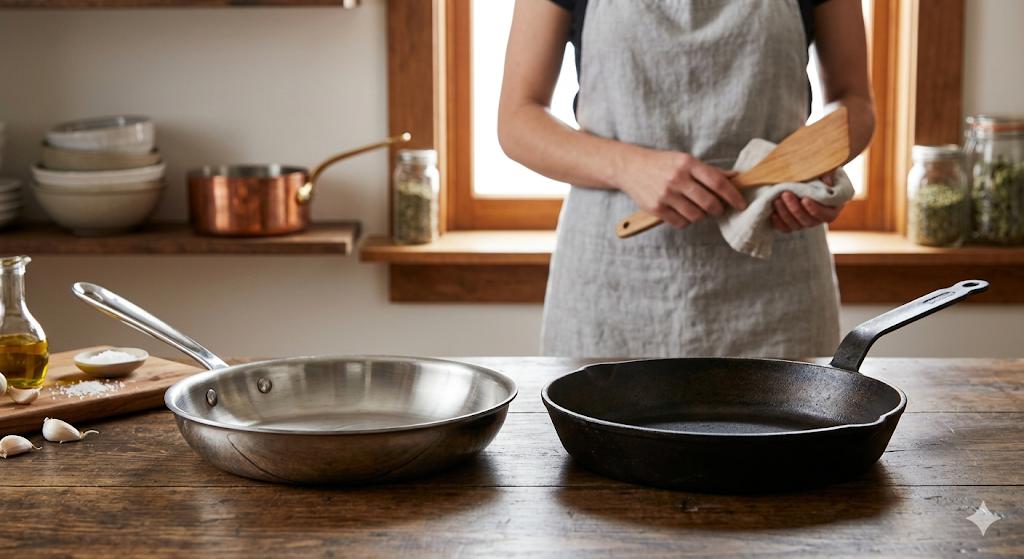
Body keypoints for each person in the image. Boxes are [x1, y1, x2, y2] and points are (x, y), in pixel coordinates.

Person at [498, 0, 875, 358]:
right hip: (610, 287)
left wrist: (814, 164)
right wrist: (628, 167)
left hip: (779, 287)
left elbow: (854, 100)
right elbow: (518, 119)